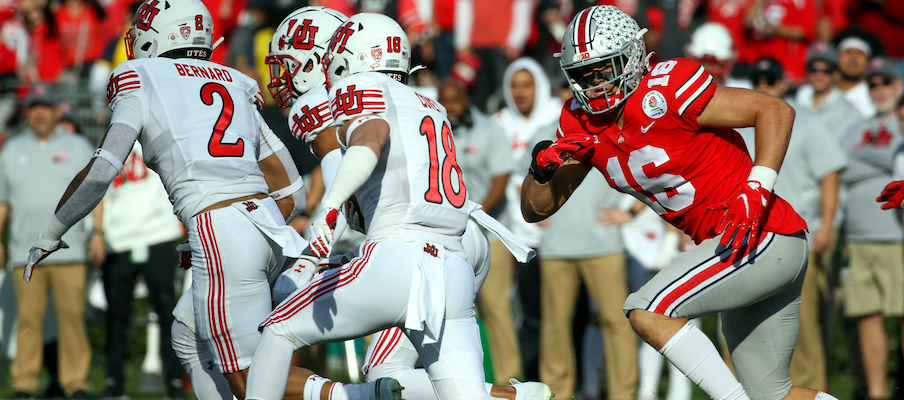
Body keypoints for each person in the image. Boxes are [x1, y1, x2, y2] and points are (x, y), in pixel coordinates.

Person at [14, 2, 349, 400]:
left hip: (220, 227)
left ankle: (368, 395)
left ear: (161, 34)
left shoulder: (139, 75)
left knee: (250, 379)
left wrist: (51, 233)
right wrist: (243, 228)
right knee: (188, 334)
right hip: (267, 228)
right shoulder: (234, 80)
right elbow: (290, 188)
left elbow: (103, 168)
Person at [520, 5, 834, 400]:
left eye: (605, 68)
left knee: (646, 309)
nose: (595, 83)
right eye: (584, 74)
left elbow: (773, 109)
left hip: (758, 231)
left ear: (632, 57)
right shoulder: (582, 123)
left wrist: (757, 189)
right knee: (771, 394)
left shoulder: (665, 88)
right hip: (745, 247)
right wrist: (542, 169)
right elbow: (535, 210)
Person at [262, 11, 550, 399]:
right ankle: (516, 396)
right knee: (442, 387)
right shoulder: (427, 102)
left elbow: (353, 180)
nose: (280, 78)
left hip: (401, 250)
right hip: (456, 251)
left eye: (289, 65)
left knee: (278, 328)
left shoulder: (347, 93)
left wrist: (320, 235)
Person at [748, 59, 847, 392]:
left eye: (770, 81)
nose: (763, 86)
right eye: (757, 81)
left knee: (802, 328)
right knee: (742, 326)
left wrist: (827, 226)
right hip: (750, 239)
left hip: (798, 234)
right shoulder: (743, 124)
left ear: (783, 85)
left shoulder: (806, 121)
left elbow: (829, 175)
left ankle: (813, 389)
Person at [0, 88, 104, 400]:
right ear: (27, 112)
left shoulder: (77, 145)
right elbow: (2, 202)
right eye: (34, 108)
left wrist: (98, 233)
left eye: (45, 107)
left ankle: (76, 384)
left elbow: (94, 192)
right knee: (28, 321)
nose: (40, 113)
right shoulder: (11, 150)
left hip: (68, 249)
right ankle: (24, 384)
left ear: (57, 112)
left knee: (72, 319)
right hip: (25, 252)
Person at [536, 164, 638, 400]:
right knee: (554, 325)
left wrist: (632, 212)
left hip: (604, 246)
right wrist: (532, 209)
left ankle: (623, 395)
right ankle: (556, 395)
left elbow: (650, 173)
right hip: (556, 247)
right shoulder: (545, 136)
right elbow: (524, 180)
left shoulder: (610, 133)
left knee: (617, 322)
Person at [492, 57, 562, 381]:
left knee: (564, 313)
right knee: (530, 313)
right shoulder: (499, 123)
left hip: (561, 232)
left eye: (527, 84)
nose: (520, 92)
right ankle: (531, 380)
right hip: (517, 232)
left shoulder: (558, 117)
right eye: (515, 85)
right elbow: (504, 179)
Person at [98, 142, 186, 399]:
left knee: (167, 313)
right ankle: (115, 383)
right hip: (118, 241)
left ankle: (175, 382)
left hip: (157, 235)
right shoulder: (108, 145)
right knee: (116, 316)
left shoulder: (156, 137)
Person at [839, 56, 904, 400]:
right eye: (873, 84)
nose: (880, 90)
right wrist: (878, 164)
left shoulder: (902, 119)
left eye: (886, 82)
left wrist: (862, 160)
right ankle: (878, 395)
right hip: (859, 235)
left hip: (898, 236)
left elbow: (896, 156)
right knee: (867, 316)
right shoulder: (857, 126)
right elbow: (838, 165)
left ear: (899, 84)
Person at [793, 41, 864, 142]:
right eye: (813, 69)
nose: (819, 74)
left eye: (827, 69)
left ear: (836, 74)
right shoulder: (798, 103)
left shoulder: (849, 113)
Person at [684, 22, 751, 89]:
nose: (709, 70)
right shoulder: (678, 89)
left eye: (715, 64)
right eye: (703, 63)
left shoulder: (745, 90)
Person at [835, 35, 877, 118]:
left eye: (859, 53)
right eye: (847, 52)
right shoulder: (824, 91)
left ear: (868, 60)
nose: (853, 59)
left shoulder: (875, 94)